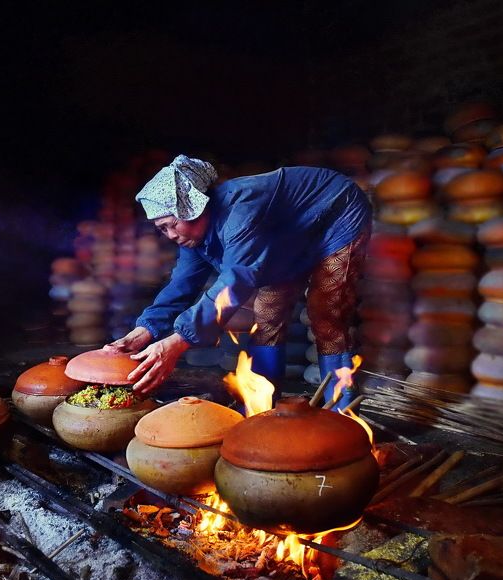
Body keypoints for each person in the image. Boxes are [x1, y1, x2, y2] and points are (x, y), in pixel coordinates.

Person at [107, 154, 371, 410]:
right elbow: (181, 285)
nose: (170, 235)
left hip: (337, 212)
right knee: (267, 315)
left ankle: (341, 413)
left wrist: (178, 341)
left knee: (326, 313)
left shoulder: (240, 213)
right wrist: (146, 329)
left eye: (172, 224)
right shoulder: (193, 237)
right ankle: (262, 408)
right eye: (162, 229)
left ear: (192, 209)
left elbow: (234, 284)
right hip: (287, 236)